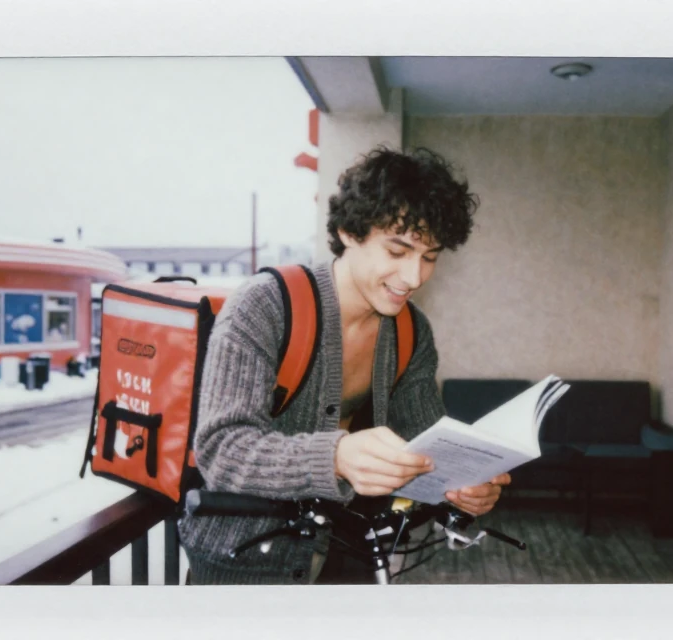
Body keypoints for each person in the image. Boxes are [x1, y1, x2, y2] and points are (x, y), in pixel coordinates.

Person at [177, 146, 510, 585]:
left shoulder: (412, 333)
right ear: (349, 232)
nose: (414, 277)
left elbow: (426, 444)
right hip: (242, 563)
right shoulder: (265, 306)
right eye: (397, 250)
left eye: (429, 257)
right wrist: (334, 457)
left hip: (350, 551)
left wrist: (463, 485)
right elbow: (221, 449)